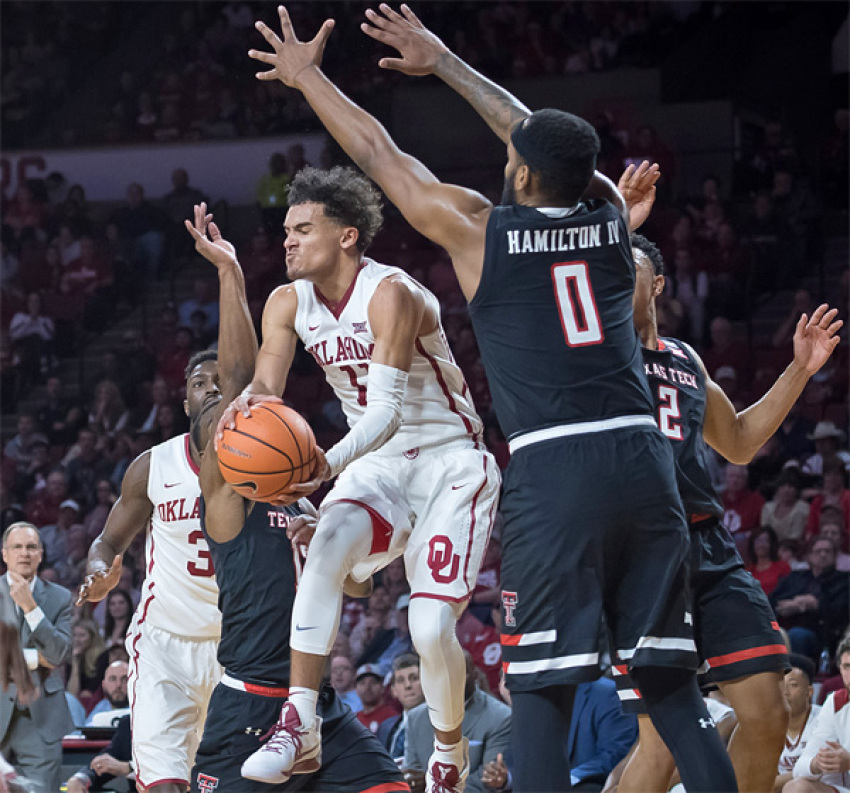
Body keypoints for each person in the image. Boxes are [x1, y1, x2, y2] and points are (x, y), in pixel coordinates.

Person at [258, 6, 732, 792]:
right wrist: (445, 61)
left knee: (541, 689)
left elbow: (379, 153)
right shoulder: (612, 218)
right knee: (675, 693)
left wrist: (312, 75)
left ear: (516, 174)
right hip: (644, 461)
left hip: (556, 468)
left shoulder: (484, 233)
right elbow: (543, 139)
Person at [225, 161, 499, 792]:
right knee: (319, 550)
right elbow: (268, 385)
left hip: (449, 458)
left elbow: (387, 411)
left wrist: (322, 469)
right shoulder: (286, 302)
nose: (287, 240)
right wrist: (250, 410)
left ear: (347, 235)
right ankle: (299, 725)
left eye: (302, 228)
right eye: (286, 229)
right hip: (376, 464)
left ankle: (449, 751)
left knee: (430, 628)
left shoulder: (390, 293)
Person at [182, 202, 407, 793]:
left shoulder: (303, 501)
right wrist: (231, 275)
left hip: (316, 709)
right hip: (248, 712)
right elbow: (239, 383)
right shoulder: (227, 500)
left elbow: (359, 586)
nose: (228, 415)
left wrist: (333, 548)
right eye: (219, 419)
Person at [619, 223, 839, 793]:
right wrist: (614, 218)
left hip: (710, 548)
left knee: (767, 712)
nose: (613, 279)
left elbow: (738, 440)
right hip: (642, 553)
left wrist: (800, 370)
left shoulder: (686, 358)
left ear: (659, 284)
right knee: (661, 743)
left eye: (629, 270)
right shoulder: (595, 356)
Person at [77, 206, 232, 791]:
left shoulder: (263, 464)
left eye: (221, 380)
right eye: (199, 383)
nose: (211, 388)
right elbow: (107, 541)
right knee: (162, 780)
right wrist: (99, 570)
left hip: (234, 642)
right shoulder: (152, 466)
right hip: (163, 640)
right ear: (185, 402)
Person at [0, 522, 73, 793]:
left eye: (31, 547)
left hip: (41, 720)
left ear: (41, 553)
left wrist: (31, 608)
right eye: (16, 547)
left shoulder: (61, 598)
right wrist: (36, 659)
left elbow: (60, 654)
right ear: (4, 554)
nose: (24, 553)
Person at [404, 652, 510, 793]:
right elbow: (413, 775)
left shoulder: (500, 717)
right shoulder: (415, 718)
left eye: (458, 673)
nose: (449, 680)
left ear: (474, 675)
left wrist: (436, 786)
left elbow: (488, 780)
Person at [770, 537, 850, 662]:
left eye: (827, 551)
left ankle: (799, 675)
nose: (823, 555)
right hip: (786, 627)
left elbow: (841, 609)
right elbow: (772, 600)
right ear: (809, 556)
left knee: (797, 635)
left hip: (824, 635)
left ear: (835, 556)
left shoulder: (844, 580)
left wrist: (816, 604)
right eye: (818, 551)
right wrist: (796, 604)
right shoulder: (795, 577)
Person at [788, 637, 850, 793]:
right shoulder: (835, 702)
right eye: (847, 667)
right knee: (796, 788)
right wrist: (817, 763)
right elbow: (800, 769)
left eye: (793, 685)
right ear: (840, 669)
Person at [775, 655, 822, 792]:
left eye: (793, 685)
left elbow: (818, 773)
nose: (785, 692)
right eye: (781, 686)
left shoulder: (822, 719)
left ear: (809, 692)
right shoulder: (768, 726)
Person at [65, 713, 136, 793]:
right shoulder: (129, 722)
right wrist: (80, 778)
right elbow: (107, 760)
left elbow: (152, 768)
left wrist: (129, 767)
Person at [378, 653, 425, 761]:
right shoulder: (385, 727)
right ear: (393, 690)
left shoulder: (439, 725)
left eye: (414, 678)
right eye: (400, 680)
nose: (408, 685)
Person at [747, 526, 792, 596]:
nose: (761, 545)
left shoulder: (783, 567)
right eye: (757, 540)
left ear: (772, 544)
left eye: (765, 540)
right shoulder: (748, 571)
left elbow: (788, 591)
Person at [355, 664, 399, 736]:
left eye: (373, 682)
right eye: (362, 683)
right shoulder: (353, 719)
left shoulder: (392, 717)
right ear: (356, 689)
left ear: (382, 687)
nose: (367, 688)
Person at [85, 660, 130, 726]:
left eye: (125, 679)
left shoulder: (142, 709)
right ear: (103, 685)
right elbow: (87, 730)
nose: (118, 685)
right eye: (112, 679)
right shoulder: (101, 706)